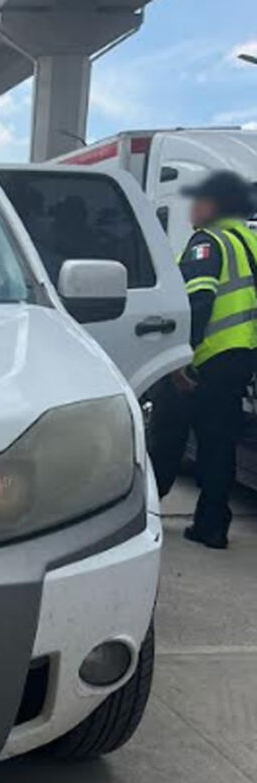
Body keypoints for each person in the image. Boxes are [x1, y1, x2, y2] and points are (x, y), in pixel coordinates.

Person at [149, 170, 257, 549]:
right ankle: (212, 525)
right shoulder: (249, 243)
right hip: (240, 357)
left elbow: (198, 301)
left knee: (166, 433)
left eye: (198, 201)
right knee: (218, 444)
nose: (192, 209)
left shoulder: (208, 243)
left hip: (204, 358)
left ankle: (144, 514)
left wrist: (179, 360)